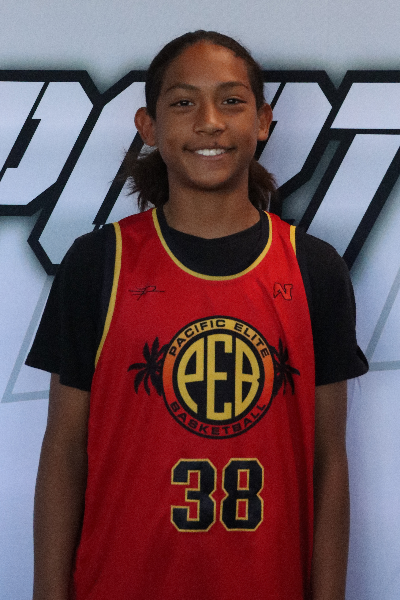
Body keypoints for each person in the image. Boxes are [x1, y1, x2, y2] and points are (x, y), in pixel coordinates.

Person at [27, 30, 368, 600]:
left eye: (231, 100)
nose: (209, 122)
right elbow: (64, 453)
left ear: (263, 121)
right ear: (148, 126)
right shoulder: (99, 263)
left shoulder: (314, 269)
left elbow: (329, 463)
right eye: (184, 102)